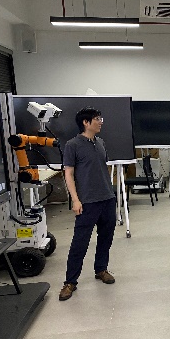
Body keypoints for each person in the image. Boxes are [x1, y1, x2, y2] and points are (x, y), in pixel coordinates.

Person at [59, 107, 116, 301]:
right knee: (80, 243)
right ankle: (70, 282)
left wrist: (110, 191)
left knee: (106, 238)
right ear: (86, 122)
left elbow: (102, 168)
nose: (100, 122)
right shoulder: (72, 145)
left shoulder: (100, 142)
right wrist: (75, 200)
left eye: (100, 118)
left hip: (107, 198)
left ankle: (101, 269)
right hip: (87, 202)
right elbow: (68, 173)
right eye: (97, 119)